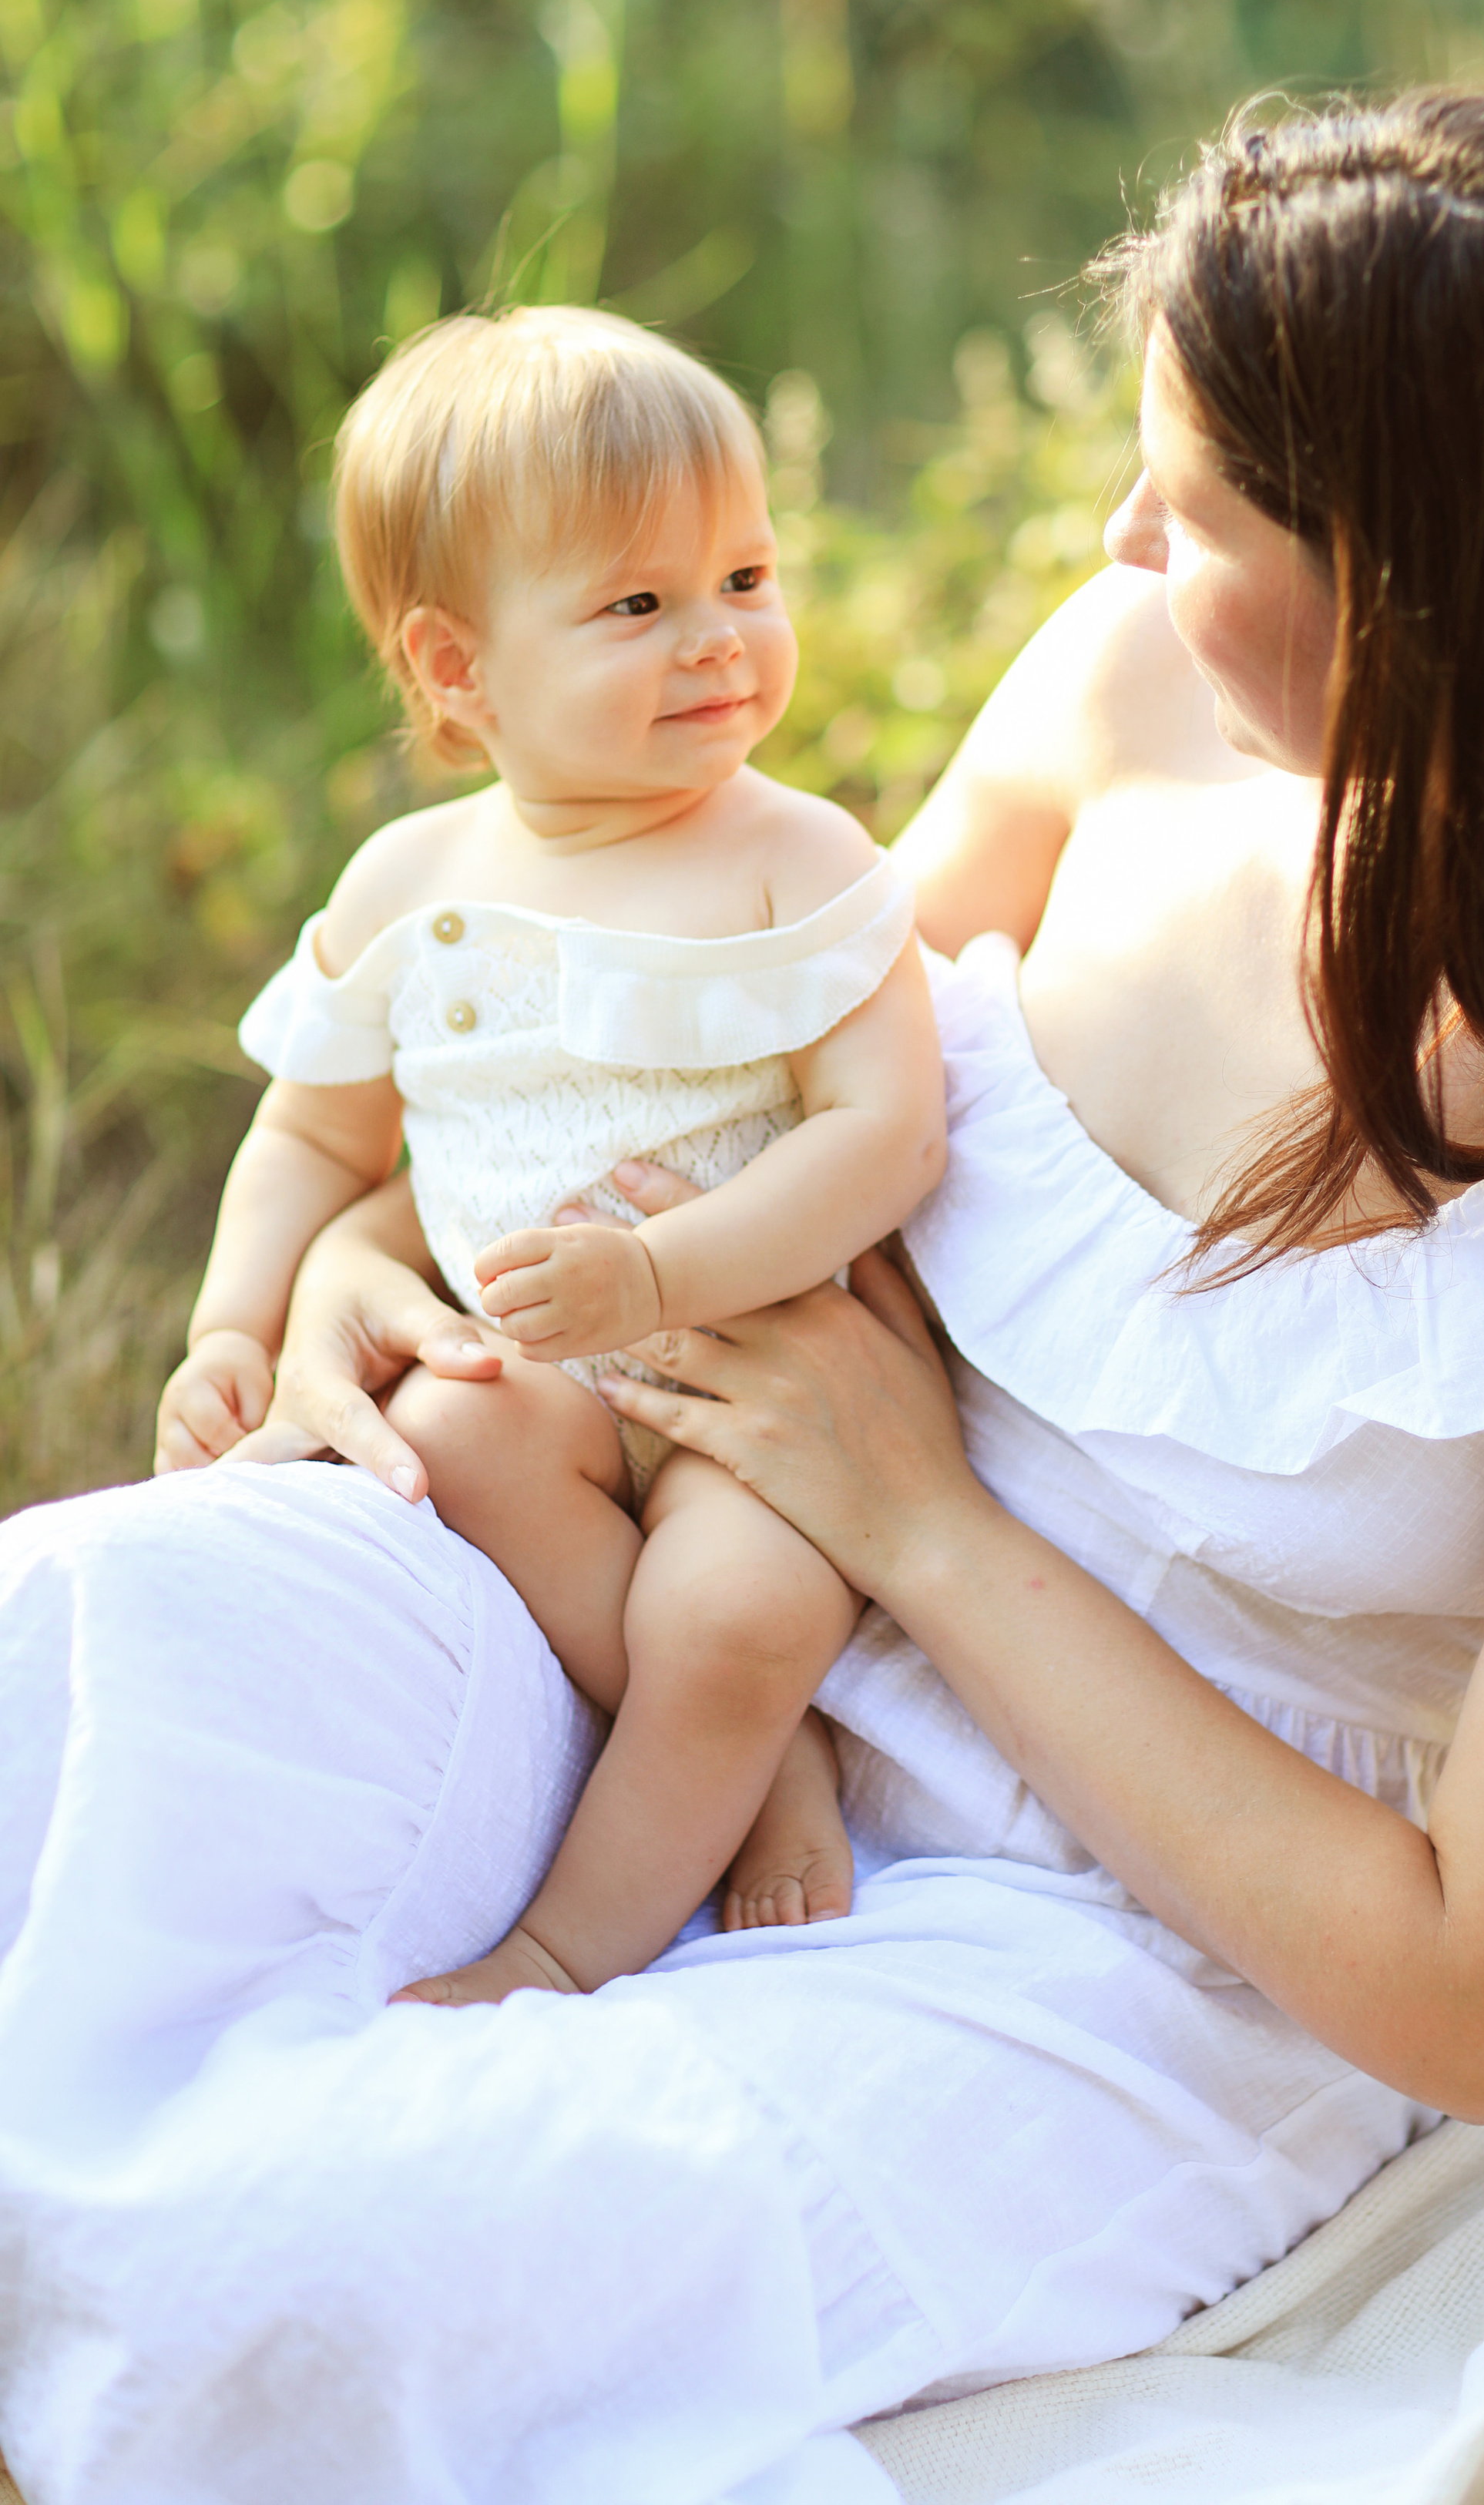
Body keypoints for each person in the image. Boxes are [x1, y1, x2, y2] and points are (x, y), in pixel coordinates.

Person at [7, 89, 1484, 2505]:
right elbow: (730, 1080)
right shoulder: (1137, 687)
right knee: (60, 1654)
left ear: (1440, 581)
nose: (1132, 540)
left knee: (315, 2277)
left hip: (1132, 1955)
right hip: (658, 1595)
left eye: (1209, 505)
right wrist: (355, 1270)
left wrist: (930, 1530)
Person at [151, 304, 946, 2003]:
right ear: (457, 671)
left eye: (746, 576)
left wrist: (666, 1270)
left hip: (766, 1375)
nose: (719, 639)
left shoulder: (791, 861)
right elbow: (309, 1131)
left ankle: (561, 1945)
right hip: (546, 1379)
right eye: (638, 605)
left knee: (728, 1612)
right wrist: (232, 1325)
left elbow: (885, 1131)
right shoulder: (406, 889)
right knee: (448, 1435)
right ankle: (752, 1760)